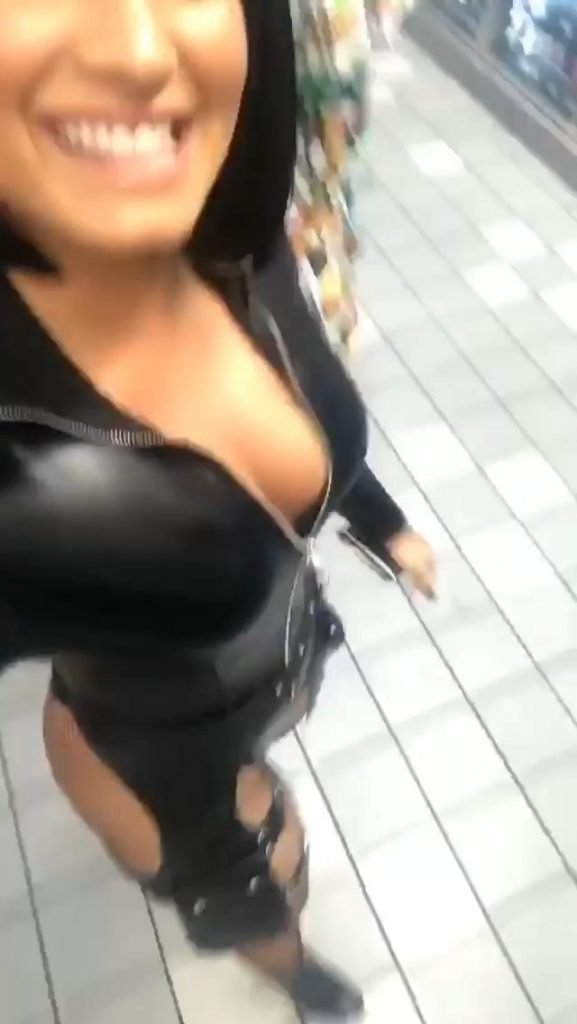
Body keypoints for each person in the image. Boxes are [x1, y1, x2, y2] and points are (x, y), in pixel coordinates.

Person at [0, 1, 436, 1021]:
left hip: (270, 668)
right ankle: (294, 975)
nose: (134, 48)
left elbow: (312, 426)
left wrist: (381, 523)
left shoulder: (237, 244)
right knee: (261, 886)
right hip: (150, 766)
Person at [289, 0, 372, 353]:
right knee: (320, 226)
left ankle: (338, 315)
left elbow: (335, 97)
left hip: (311, 144)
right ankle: (338, 314)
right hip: (311, 137)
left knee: (318, 228)